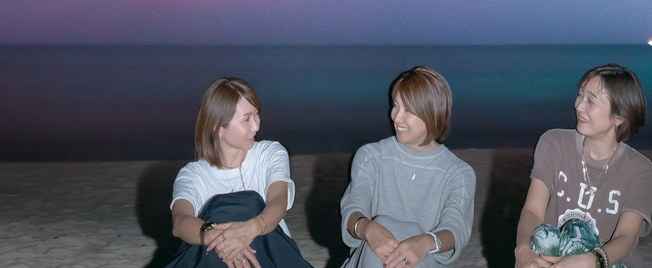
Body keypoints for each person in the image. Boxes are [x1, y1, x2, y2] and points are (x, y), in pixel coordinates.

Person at [514, 64, 652, 268]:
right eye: (580, 95)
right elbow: (533, 210)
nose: (579, 105)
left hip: (601, 263)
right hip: (548, 256)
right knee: (544, 238)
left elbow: (627, 237)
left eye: (591, 101)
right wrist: (523, 249)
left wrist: (593, 259)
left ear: (619, 117)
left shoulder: (640, 169)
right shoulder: (554, 143)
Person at [168, 77, 311, 268]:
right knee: (219, 212)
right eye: (246, 119)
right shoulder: (193, 175)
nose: (256, 126)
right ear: (218, 127)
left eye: (256, 114)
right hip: (215, 258)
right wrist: (224, 240)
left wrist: (249, 230)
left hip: (270, 254)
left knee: (250, 203)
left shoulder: (270, 153)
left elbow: (278, 202)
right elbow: (180, 222)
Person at [340, 66, 475, 268]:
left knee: (412, 244)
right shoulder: (371, 156)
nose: (396, 117)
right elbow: (353, 207)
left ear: (432, 114)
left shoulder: (458, 174)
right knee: (384, 226)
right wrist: (368, 228)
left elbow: (455, 228)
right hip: (370, 260)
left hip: (421, 263)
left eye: (408, 110)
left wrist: (425, 242)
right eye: (396, 105)